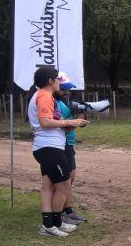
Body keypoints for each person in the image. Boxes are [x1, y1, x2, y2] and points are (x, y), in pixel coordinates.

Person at [28, 66, 88, 237]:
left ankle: (51, 225)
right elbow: (46, 122)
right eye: (57, 79)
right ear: (50, 81)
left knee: (48, 187)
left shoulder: (41, 95)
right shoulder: (44, 95)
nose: (59, 82)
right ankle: (55, 223)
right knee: (64, 186)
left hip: (47, 146)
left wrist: (71, 124)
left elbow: (49, 123)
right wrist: (70, 122)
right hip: (50, 148)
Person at [54, 72, 87, 225]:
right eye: (63, 89)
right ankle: (59, 213)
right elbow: (61, 125)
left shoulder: (64, 102)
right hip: (61, 143)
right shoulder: (54, 103)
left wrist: (80, 118)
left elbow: (69, 123)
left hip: (69, 143)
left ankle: (68, 211)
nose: (66, 92)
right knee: (64, 180)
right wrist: (75, 122)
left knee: (70, 178)